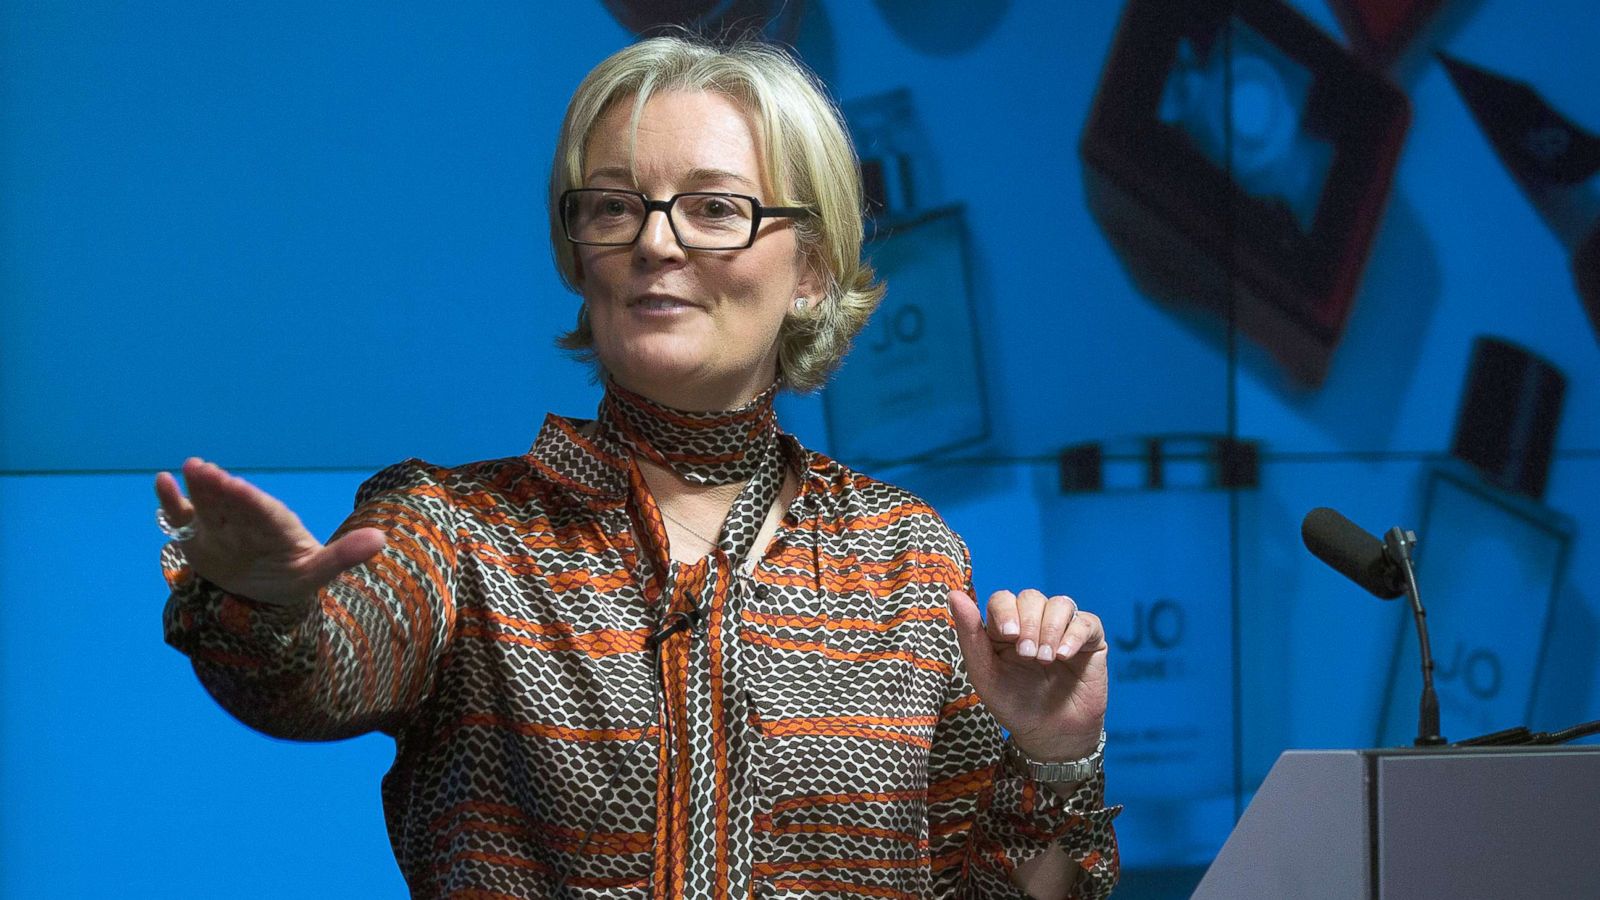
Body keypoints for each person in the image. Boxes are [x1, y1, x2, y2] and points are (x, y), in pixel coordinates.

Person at [155, 35, 1119, 899]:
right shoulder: (459, 530)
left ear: (813, 269)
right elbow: (320, 670)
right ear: (581, 256)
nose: (656, 242)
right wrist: (269, 610)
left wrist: (1057, 752)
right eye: (615, 207)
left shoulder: (907, 561)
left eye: (713, 208)